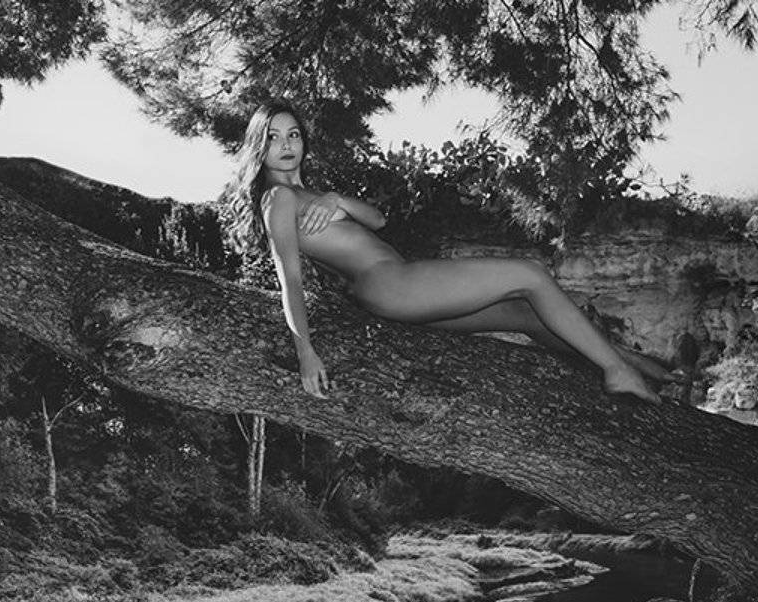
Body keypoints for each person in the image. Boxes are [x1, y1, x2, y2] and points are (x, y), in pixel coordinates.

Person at [222, 102, 671, 402]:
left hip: (396, 289)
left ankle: (625, 361)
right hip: (394, 286)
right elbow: (290, 279)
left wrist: (336, 199)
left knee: (524, 314)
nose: (286, 145)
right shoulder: (279, 200)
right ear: (259, 146)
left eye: (293, 135)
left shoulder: (309, 195)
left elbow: (378, 220)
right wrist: (305, 353)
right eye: (274, 137)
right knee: (529, 274)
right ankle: (618, 371)